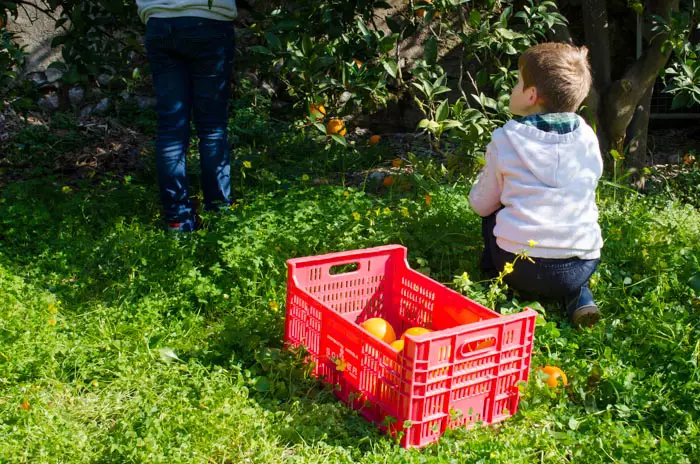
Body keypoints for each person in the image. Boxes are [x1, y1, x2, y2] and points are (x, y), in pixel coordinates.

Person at [469, 42, 603, 328]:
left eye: (517, 83)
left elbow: (481, 204)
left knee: (491, 211)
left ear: (531, 95)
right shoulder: (588, 137)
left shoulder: (506, 139)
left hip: (518, 266)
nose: (513, 89)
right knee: (576, 229)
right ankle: (579, 295)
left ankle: (497, 283)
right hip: (580, 265)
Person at [136, 0, 238, 232]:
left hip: (160, 21)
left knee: (170, 131)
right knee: (212, 128)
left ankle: (177, 220)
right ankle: (219, 216)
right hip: (210, 20)